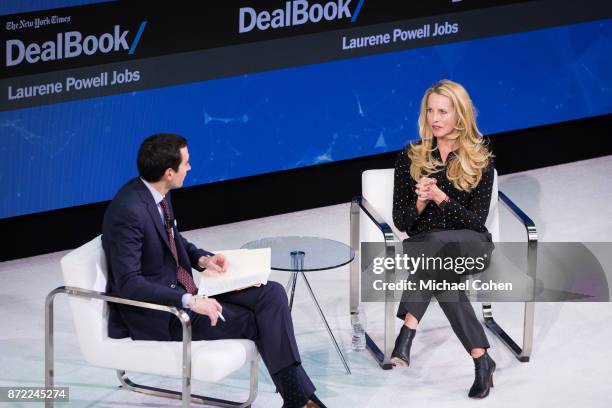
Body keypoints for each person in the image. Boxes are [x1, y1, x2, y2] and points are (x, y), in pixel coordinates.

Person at [102, 133, 325, 408]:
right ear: (169, 172)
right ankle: (302, 400)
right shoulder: (128, 212)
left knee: (272, 294)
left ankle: (297, 399)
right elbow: (128, 284)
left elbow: (173, 241)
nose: (190, 168)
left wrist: (203, 260)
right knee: (256, 321)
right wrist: (190, 301)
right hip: (163, 315)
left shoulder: (158, 194)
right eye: (186, 163)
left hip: (188, 290)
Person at [390, 80, 496, 398]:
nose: (435, 118)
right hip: (427, 251)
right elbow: (403, 223)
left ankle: (408, 329)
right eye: (430, 110)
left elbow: (476, 223)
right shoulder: (410, 157)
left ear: (460, 116)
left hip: (471, 246)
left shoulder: (480, 161)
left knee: (436, 251)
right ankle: (482, 360)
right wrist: (420, 201)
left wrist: (440, 198)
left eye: (443, 111)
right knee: (442, 275)